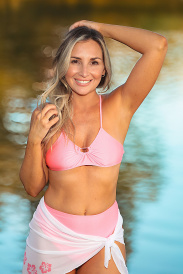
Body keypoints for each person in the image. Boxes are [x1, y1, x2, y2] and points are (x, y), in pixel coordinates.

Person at [20, 20, 167, 274]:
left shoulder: (120, 106)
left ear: (103, 70)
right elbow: (32, 187)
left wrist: (100, 28)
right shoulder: (47, 115)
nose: (84, 71)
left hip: (104, 237)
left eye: (94, 62)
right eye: (75, 61)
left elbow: (157, 45)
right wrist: (33, 140)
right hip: (51, 233)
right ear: (63, 65)